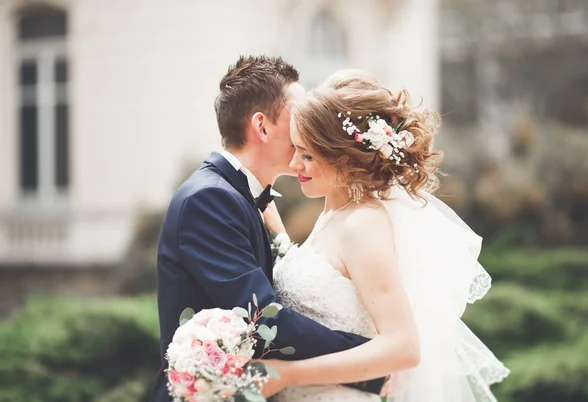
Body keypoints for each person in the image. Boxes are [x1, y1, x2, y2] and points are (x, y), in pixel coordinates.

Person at [260, 70, 509, 401]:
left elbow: (403, 348)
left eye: (307, 155)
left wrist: (288, 374)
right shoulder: (335, 212)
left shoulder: (362, 225)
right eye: (295, 149)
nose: (294, 164)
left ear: (344, 157)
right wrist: (270, 220)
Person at [147, 57, 386, 402]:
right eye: (299, 114)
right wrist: (372, 362)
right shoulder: (210, 199)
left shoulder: (244, 198)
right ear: (262, 126)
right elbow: (262, 321)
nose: (309, 124)